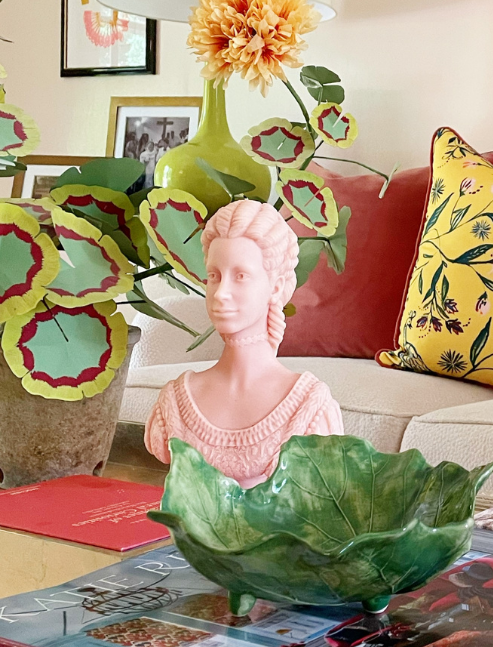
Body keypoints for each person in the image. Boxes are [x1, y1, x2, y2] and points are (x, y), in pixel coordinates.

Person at [144, 200, 344, 486]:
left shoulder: (308, 410)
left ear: (275, 287)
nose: (221, 293)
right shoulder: (174, 404)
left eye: (240, 276)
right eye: (214, 276)